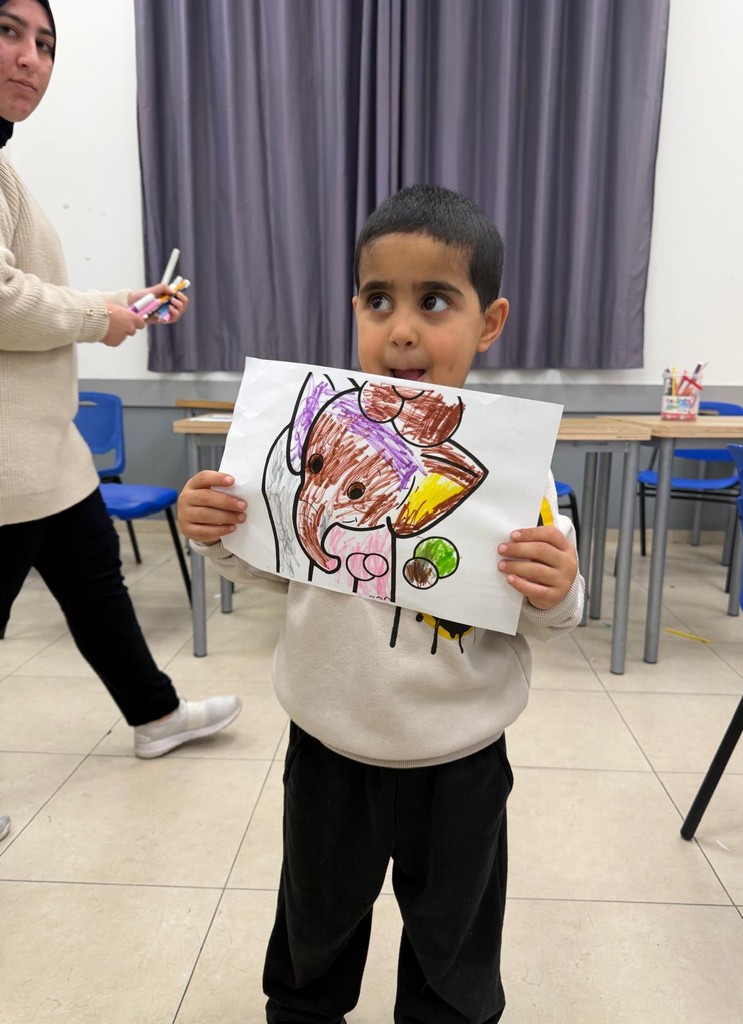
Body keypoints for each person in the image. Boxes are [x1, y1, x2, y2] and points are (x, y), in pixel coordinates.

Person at [178, 184, 584, 1023]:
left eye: (434, 301)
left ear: (490, 322)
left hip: (461, 762)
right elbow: (275, 568)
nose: (401, 329)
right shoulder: (322, 432)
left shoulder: (518, 476)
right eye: (377, 300)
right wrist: (218, 531)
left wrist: (558, 587)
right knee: (313, 934)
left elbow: (549, 613)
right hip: (332, 749)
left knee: (453, 955)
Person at [0, 0, 242, 840]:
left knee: (97, 585)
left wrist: (119, 305)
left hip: (45, 451)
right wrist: (100, 315)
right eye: (9, 32)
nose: (31, 58)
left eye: (45, 43)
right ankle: (156, 713)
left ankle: (156, 715)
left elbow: (29, 291)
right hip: (7, 464)